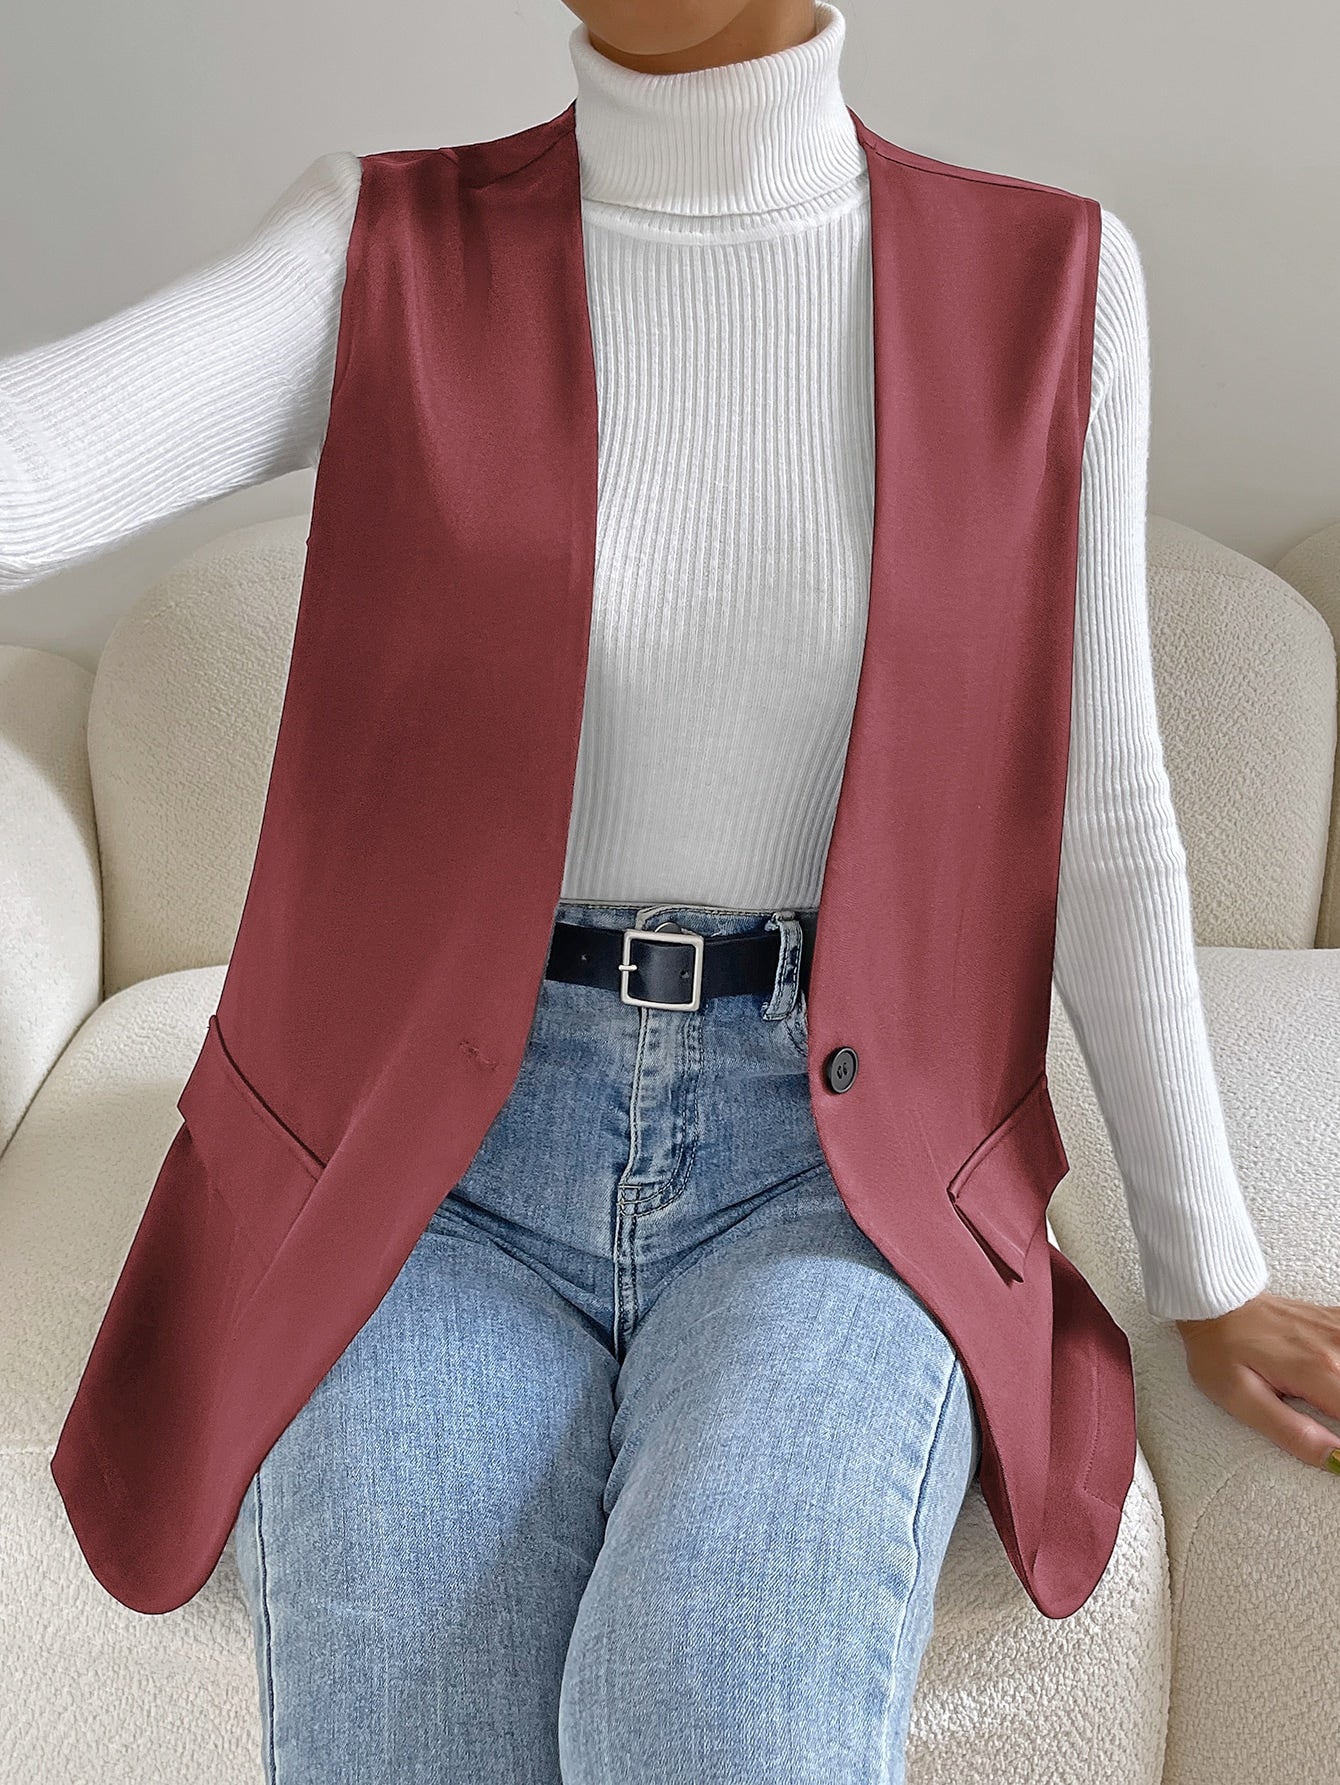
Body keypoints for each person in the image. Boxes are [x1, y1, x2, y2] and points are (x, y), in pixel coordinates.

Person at [5, 2, 1336, 1780]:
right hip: (430, 1171)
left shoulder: (1051, 288)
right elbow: (39, 460)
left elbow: (1101, 813)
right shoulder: (386, 245)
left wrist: (1209, 1266)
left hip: (838, 1180)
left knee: (708, 1716)